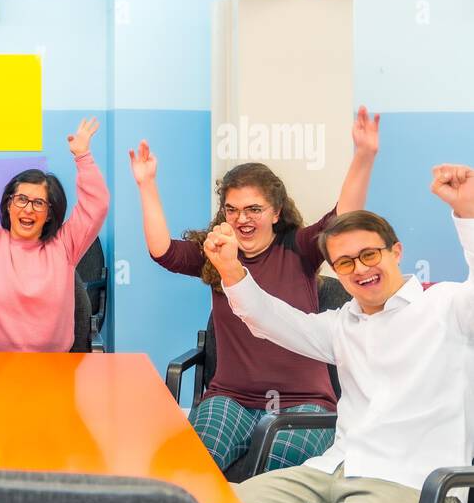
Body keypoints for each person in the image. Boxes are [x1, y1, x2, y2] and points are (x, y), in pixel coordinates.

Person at [208, 168, 473, 503]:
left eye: (370, 255)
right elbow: (267, 320)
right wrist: (232, 269)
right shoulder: (343, 324)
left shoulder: (446, 309)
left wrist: (466, 212)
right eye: (345, 262)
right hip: (335, 470)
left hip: (410, 486)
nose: (360, 270)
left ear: (395, 251)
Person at [132, 107, 381, 471]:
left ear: (276, 212)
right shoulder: (217, 253)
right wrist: (146, 185)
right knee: (191, 471)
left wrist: (363, 156)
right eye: (232, 210)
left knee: (272, 481)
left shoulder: (300, 247)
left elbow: (341, 221)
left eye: (253, 209)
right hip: (231, 399)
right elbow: (163, 251)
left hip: (304, 403)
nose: (242, 218)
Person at [0, 102, 109, 351]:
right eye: (21, 199)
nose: (28, 208)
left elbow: (97, 206)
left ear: (49, 214)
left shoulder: (64, 247)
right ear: (8, 204)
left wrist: (82, 156)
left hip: (54, 371)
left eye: (38, 202)